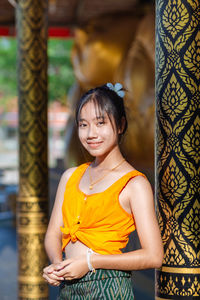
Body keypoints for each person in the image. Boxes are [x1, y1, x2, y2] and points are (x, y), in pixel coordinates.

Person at [43, 83, 163, 299]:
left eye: (100, 123)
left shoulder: (134, 184)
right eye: (83, 124)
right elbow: (53, 233)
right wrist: (56, 264)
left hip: (108, 287)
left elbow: (154, 256)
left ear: (120, 125)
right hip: (68, 288)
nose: (91, 134)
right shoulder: (70, 176)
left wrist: (90, 262)